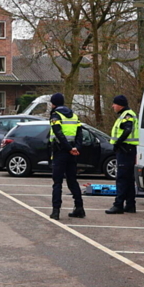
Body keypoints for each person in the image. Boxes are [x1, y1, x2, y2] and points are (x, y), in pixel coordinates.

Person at [47, 92, 84, 221]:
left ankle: (56, 211)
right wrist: (76, 148)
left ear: (54, 104)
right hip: (72, 152)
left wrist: (68, 148)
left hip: (60, 151)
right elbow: (80, 133)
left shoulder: (55, 115)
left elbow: (58, 133)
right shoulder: (74, 115)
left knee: (57, 182)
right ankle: (79, 208)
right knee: (72, 180)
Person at [105, 95, 139, 215]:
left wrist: (118, 142)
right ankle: (130, 205)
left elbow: (127, 129)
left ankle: (118, 205)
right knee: (129, 179)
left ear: (120, 105)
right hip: (128, 149)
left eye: (114, 104)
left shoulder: (127, 115)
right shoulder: (126, 114)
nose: (113, 106)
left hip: (125, 149)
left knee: (122, 178)